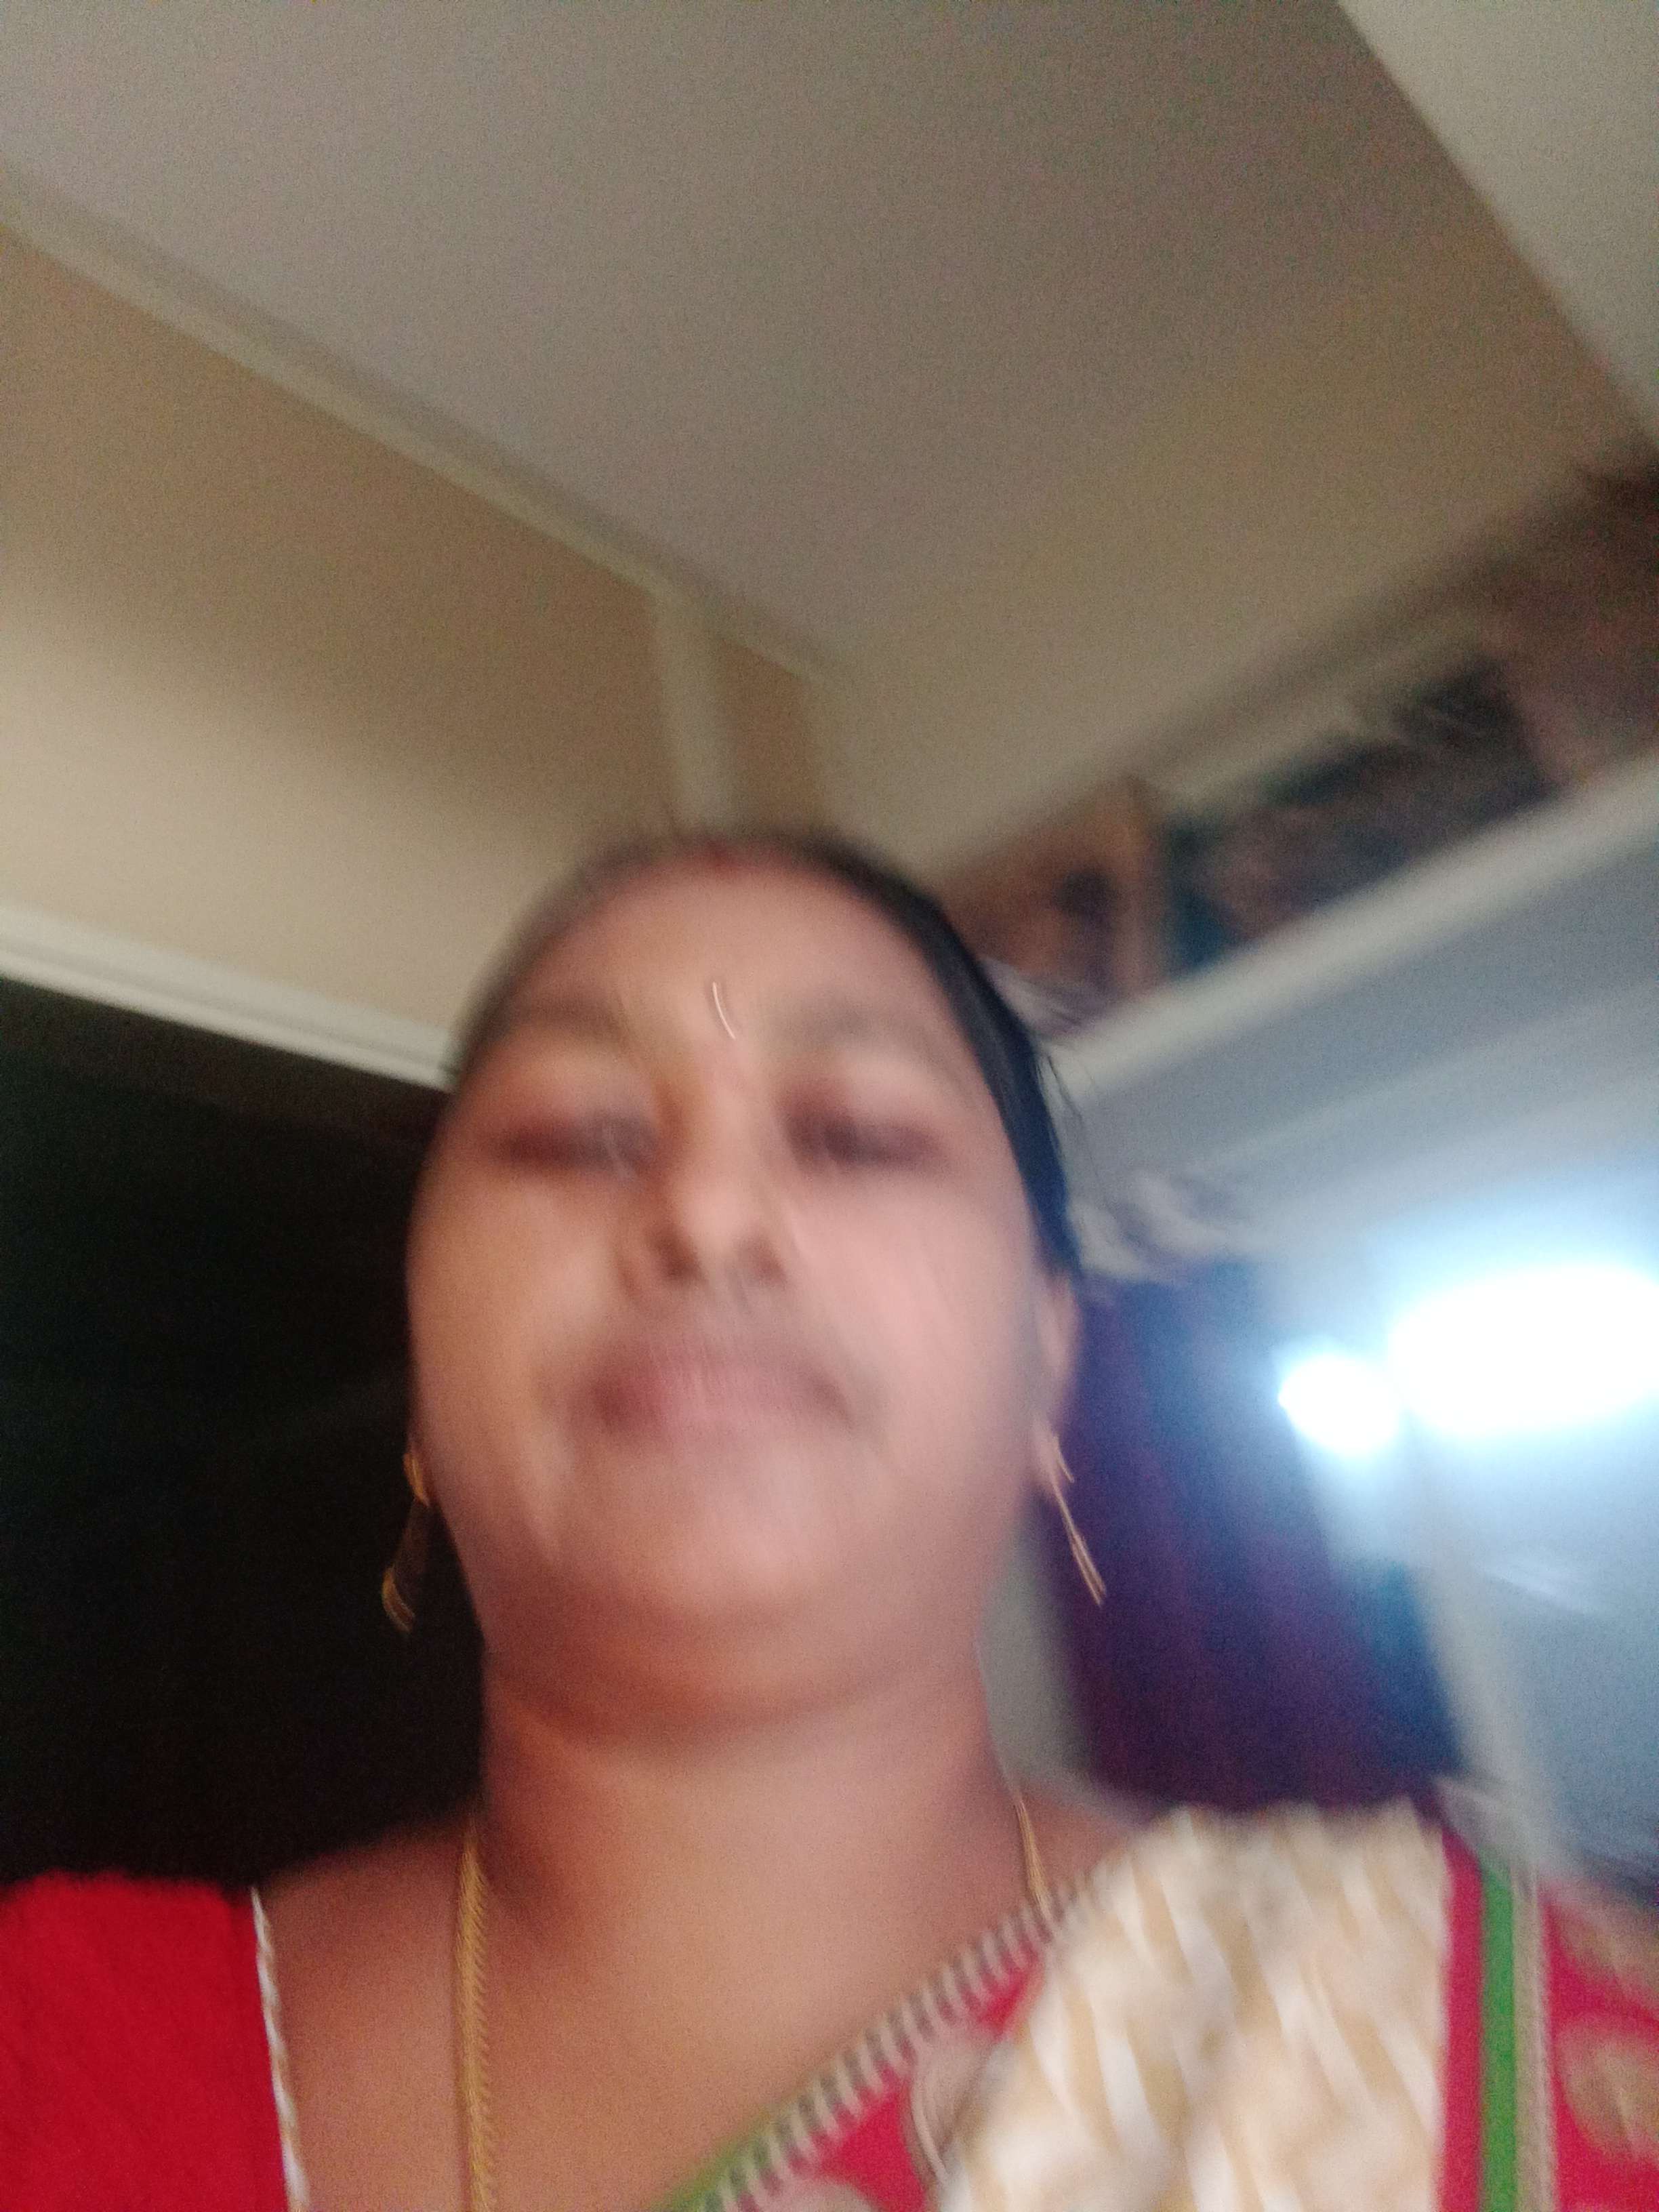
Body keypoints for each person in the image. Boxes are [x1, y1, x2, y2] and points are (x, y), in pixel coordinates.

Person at [1, 834, 1655, 2211]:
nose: (710, 1215)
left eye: (858, 1137)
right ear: (427, 1379)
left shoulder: (1509, 2038)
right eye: (580, 1137)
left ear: (1047, 1368)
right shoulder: (51, 2049)